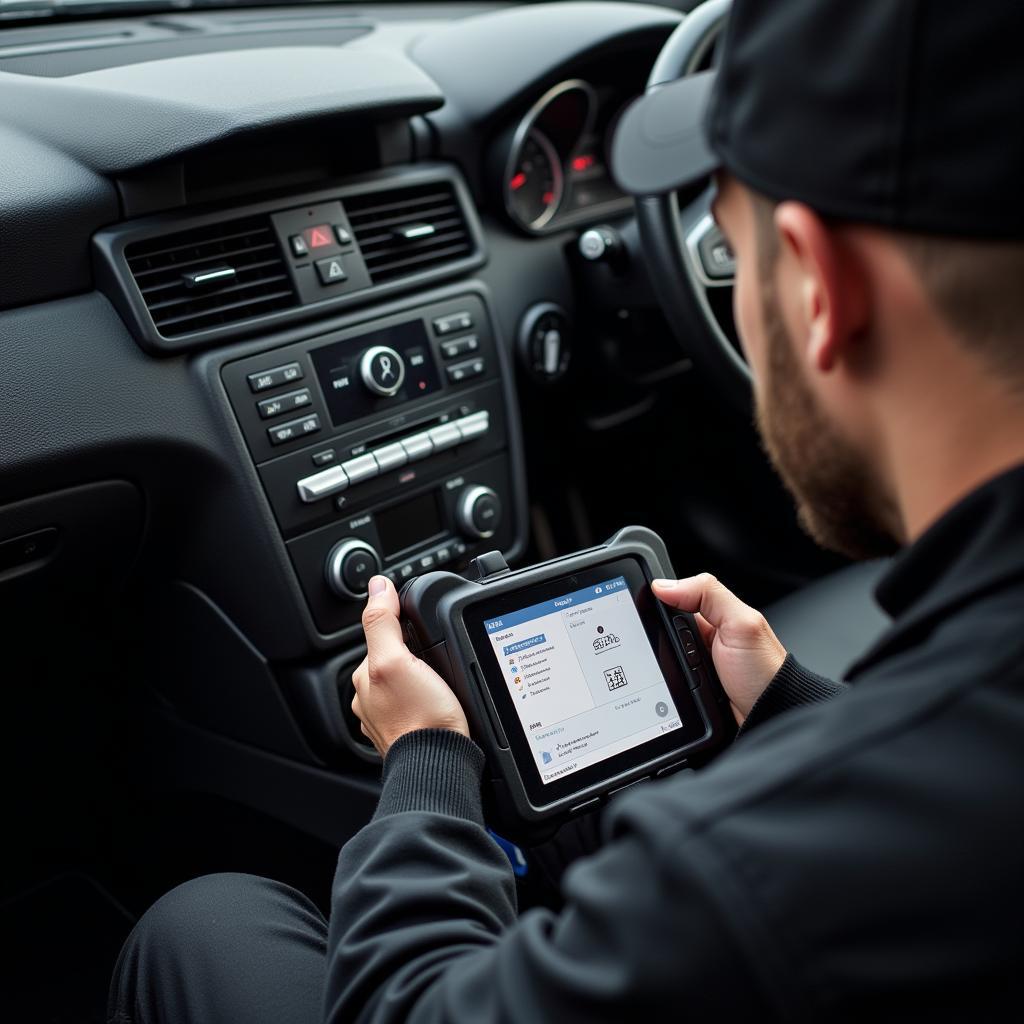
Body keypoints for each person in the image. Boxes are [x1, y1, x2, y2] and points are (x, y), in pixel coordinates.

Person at [109, 1, 1024, 1021]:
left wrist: (426, 767)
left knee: (203, 925)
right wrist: (787, 703)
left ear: (822, 288)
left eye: (732, 247)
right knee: (591, 809)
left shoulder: (750, 879)